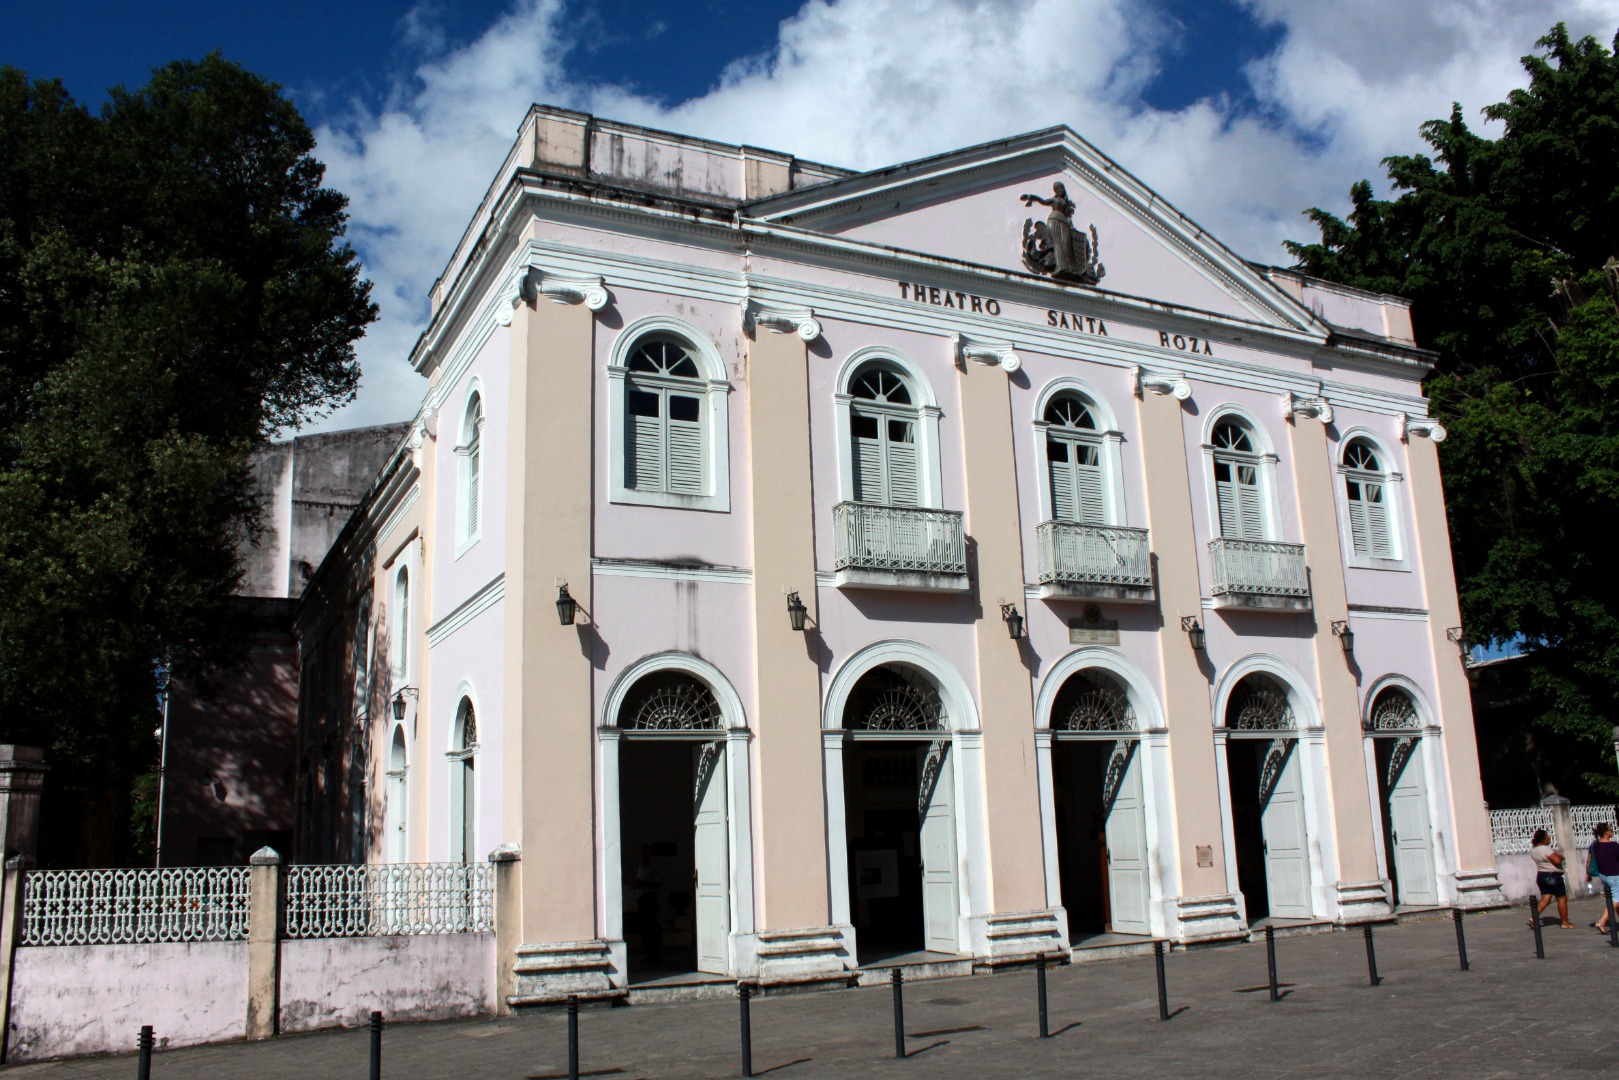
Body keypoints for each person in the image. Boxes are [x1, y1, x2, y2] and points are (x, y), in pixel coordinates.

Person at [1528, 829, 1576, 929]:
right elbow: (1557, 860)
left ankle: (1534, 917)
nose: (1549, 838)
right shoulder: (1546, 849)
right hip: (1553, 876)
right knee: (1561, 898)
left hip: (1541, 875)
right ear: (1543, 839)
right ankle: (1564, 922)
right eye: (1547, 836)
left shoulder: (1534, 850)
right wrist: (1561, 857)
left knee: (1545, 899)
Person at [634, 845, 664, 964]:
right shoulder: (641, 866)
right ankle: (648, 954)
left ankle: (655, 955)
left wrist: (643, 882)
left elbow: (657, 884)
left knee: (651, 928)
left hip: (650, 898)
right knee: (644, 929)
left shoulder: (654, 867)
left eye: (645, 852)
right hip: (641, 898)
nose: (643, 854)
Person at [1589, 822, 1619, 932]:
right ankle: (1602, 921)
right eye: (1610, 830)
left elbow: (1589, 860)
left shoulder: (1594, 845)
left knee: (1614, 898)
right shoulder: (1613, 845)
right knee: (1617, 898)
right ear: (1606, 833)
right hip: (1615, 875)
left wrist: (1587, 874)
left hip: (1603, 875)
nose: (1612, 832)